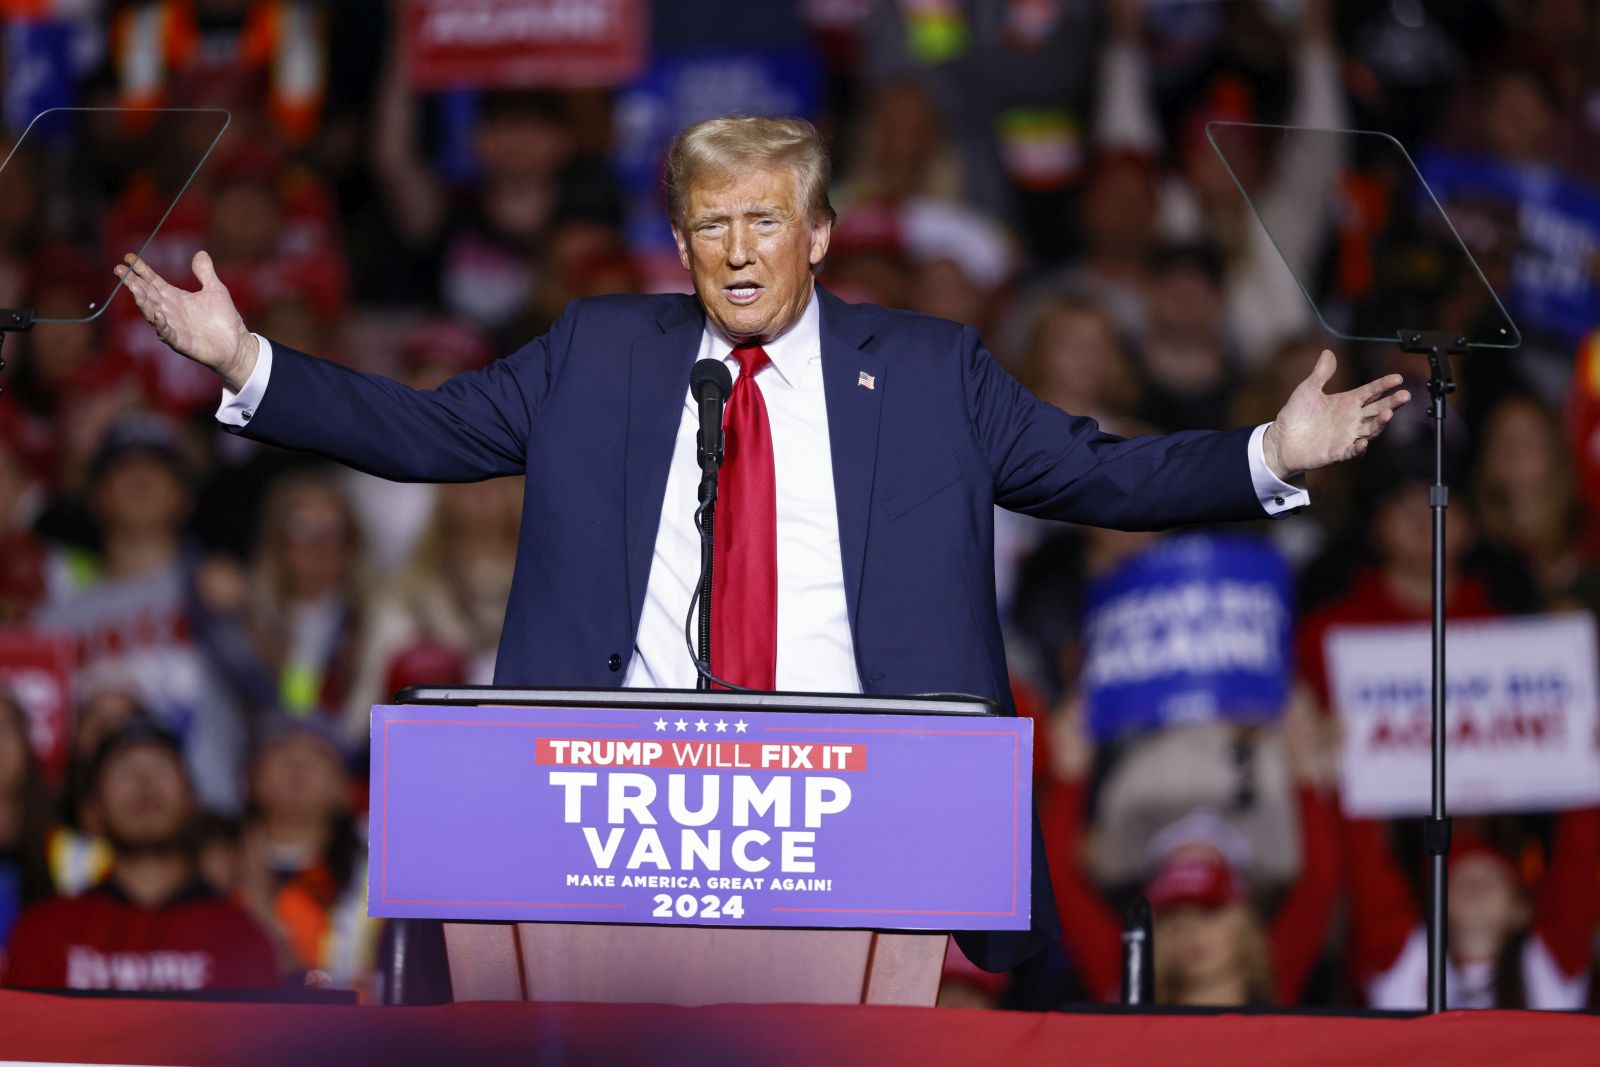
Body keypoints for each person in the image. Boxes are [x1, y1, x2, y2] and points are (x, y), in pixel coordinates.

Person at [112, 115, 1410, 971]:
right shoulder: (597, 353)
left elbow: (1096, 471)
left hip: (870, 799)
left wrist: (1272, 453)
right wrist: (246, 361)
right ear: (678, 245)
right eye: (711, 226)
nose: (738, 251)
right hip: (619, 813)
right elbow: (425, 431)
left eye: (765, 221)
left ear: (822, 234)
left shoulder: (928, 368)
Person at [1041, 698, 1339, 1006]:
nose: (1191, 929)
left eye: (1209, 910)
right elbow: (1058, 884)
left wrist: (1306, 771)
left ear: (1243, 920)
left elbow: (1319, 884)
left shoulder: (1276, 971)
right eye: (1173, 915)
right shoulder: (1127, 977)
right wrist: (1069, 770)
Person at [3, 721, 278, 991]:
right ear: (91, 812)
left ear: (193, 803)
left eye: (161, 769)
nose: (144, 784)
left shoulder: (239, 936)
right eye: (124, 772)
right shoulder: (45, 933)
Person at [1341, 806, 1600, 1010]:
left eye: (1490, 879)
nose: (1475, 888)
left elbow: (1577, 865)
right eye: (1462, 880)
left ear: (1520, 910)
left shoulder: (1547, 960)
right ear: (1438, 907)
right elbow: (1367, 868)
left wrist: (1589, 764)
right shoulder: (1407, 957)